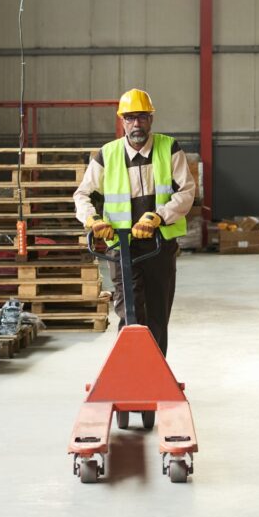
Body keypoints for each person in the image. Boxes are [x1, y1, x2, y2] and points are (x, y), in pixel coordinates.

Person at [73, 88, 195, 355]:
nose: (136, 124)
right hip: (122, 247)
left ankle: (156, 370)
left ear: (151, 119)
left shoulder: (169, 148)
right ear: (122, 121)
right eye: (130, 118)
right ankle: (129, 370)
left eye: (141, 117)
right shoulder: (108, 154)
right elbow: (83, 194)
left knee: (158, 312)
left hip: (160, 245)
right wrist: (92, 220)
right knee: (129, 311)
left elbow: (186, 191)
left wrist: (159, 216)